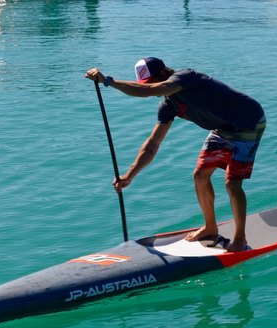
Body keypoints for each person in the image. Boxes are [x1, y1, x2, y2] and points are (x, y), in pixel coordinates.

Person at [85, 57, 266, 252]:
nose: (152, 88)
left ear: (163, 74)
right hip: (221, 128)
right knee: (200, 176)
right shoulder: (168, 105)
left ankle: (240, 238)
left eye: (152, 81)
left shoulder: (187, 77)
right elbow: (152, 144)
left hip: (248, 121)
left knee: (232, 183)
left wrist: (108, 82)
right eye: (146, 83)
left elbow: (150, 90)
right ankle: (210, 228)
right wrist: (129, 176)